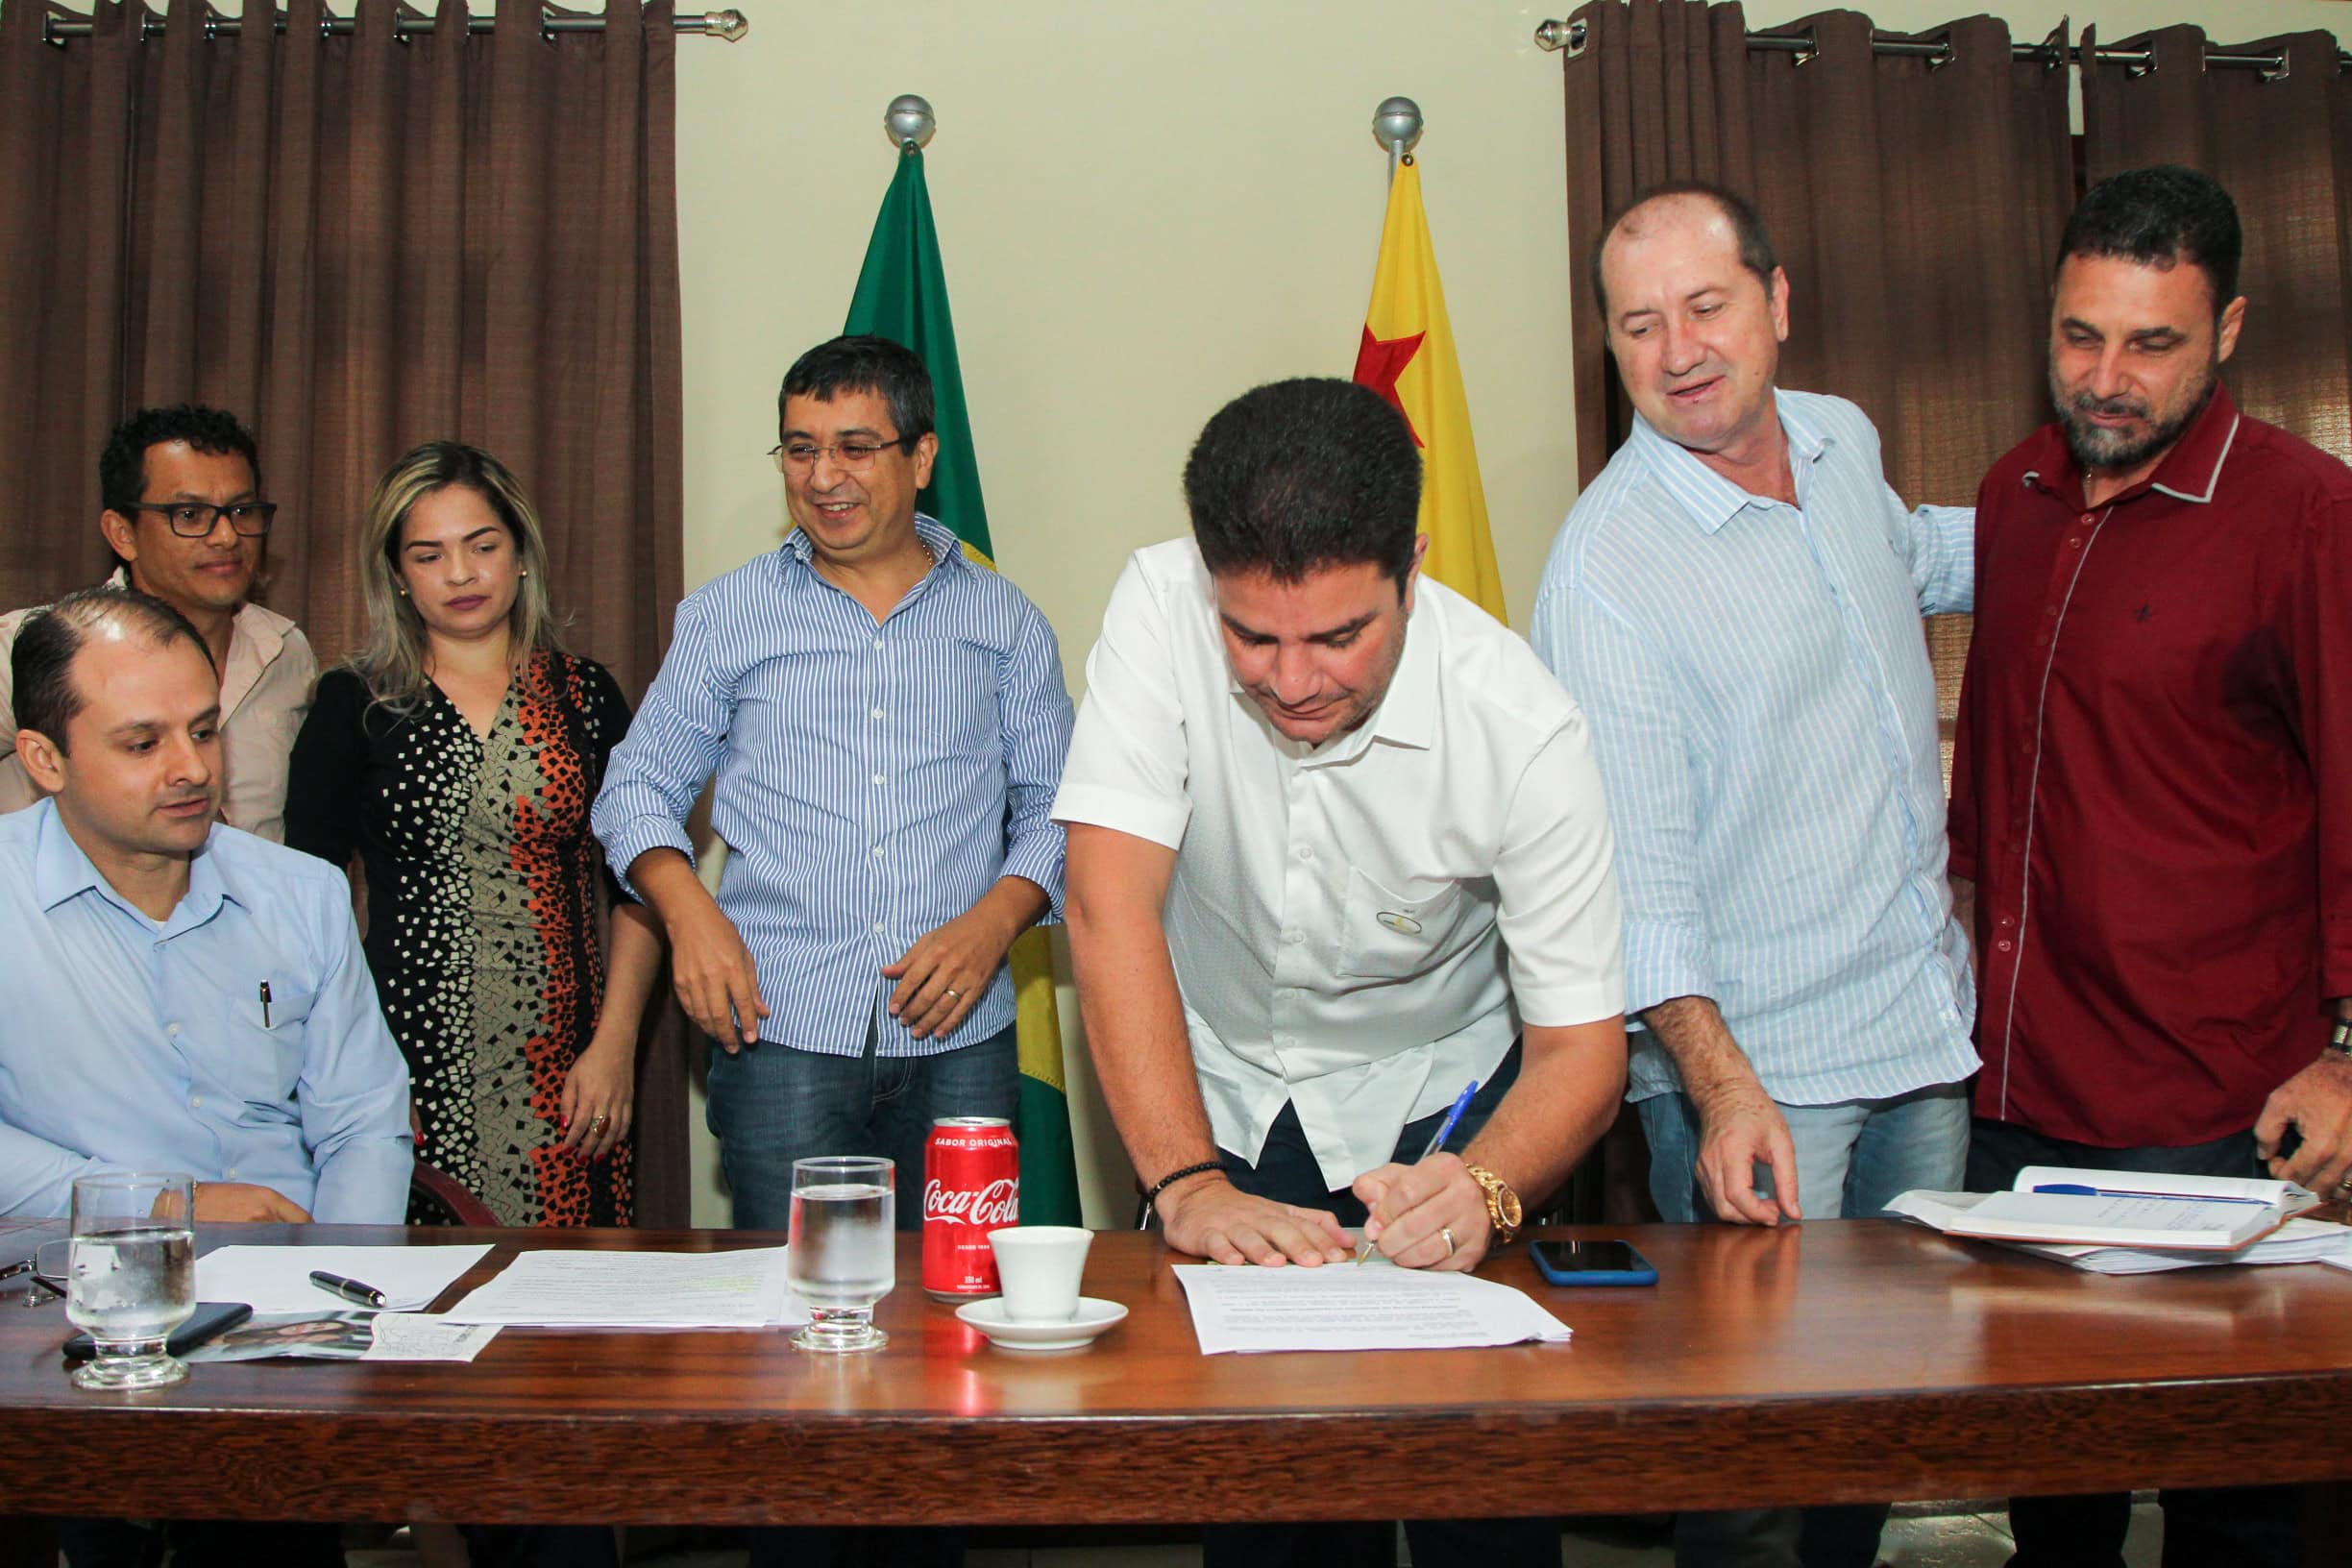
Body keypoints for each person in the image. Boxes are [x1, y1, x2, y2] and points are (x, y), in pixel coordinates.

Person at [1056, 376, 1627, 1568]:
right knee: (1269, 1488)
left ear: (1412, 566)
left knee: (1477, 1479)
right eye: (1252, 637)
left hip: (1440, 1098)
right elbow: (1109, 908)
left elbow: (1581, 1047)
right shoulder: (1157, 605)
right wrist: (1184, 1182)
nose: (1294, 681)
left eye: (1338, 637)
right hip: (1219, 1086)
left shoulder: (1523, 726)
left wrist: (1487, 1189)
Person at [1530, 182, 1977, 1568]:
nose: (1679, 352)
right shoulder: (1605, 574)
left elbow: (1921, 554)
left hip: (1924, 1035)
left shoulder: (1841, 440)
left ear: (1777, 303)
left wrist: (2085, 515)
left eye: (1707, 307)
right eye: (1639, 326)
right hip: (1762, 1083)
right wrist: (1725, 1094)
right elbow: (1638, 889)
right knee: (1754, 1457)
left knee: (1880, 1417)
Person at [1951, 163, 2351, 1568]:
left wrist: (2348, 1057)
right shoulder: (2011, 494)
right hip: (2015, 1109)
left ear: (2227, 330)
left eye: (2151, 343)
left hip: (2212, 1109)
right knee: (2051, 1492)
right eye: (2080, 335)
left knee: (2227, 1504)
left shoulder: (2309, 515)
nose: (2106, 379)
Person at [592, 333, 1071, 1247]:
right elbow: (635, 787)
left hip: (960, 1035)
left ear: (921, 457)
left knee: (956, 1298)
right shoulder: (728, 615)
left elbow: (1057, 805)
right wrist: (688, 910)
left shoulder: (1003, 618)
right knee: (798, 1303)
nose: (822, 478)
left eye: (854, 448)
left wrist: (995, 922)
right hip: (780, 1030)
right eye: (800, 449)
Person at [0, 585, 410, 1568]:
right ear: (45, 759)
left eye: (204, 730)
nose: (192, 769)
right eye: (142, 743)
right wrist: (164, 1208)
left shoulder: (300, 894)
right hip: (63, 1315)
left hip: (285, 1322)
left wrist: (336, 1296)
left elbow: (364, 1119)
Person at [287, 442, 661, 1227]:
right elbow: (306, 906)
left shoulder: (585, 696)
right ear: (397, 574)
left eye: (482, 546)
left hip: (570, 1064)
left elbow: (642, 883)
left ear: (521, 554)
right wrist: (359, 1075)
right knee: (427, 1289)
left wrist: (616, 1045)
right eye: (429, 555)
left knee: (570, 1292)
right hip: (407, 1057)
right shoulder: (354, 702)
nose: (460, 574)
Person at [0, 404, 315, 842]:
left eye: (242, 512)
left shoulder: (284, 651)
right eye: (189, 515)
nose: (227, 537)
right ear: (122, 533)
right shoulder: (29, 649)